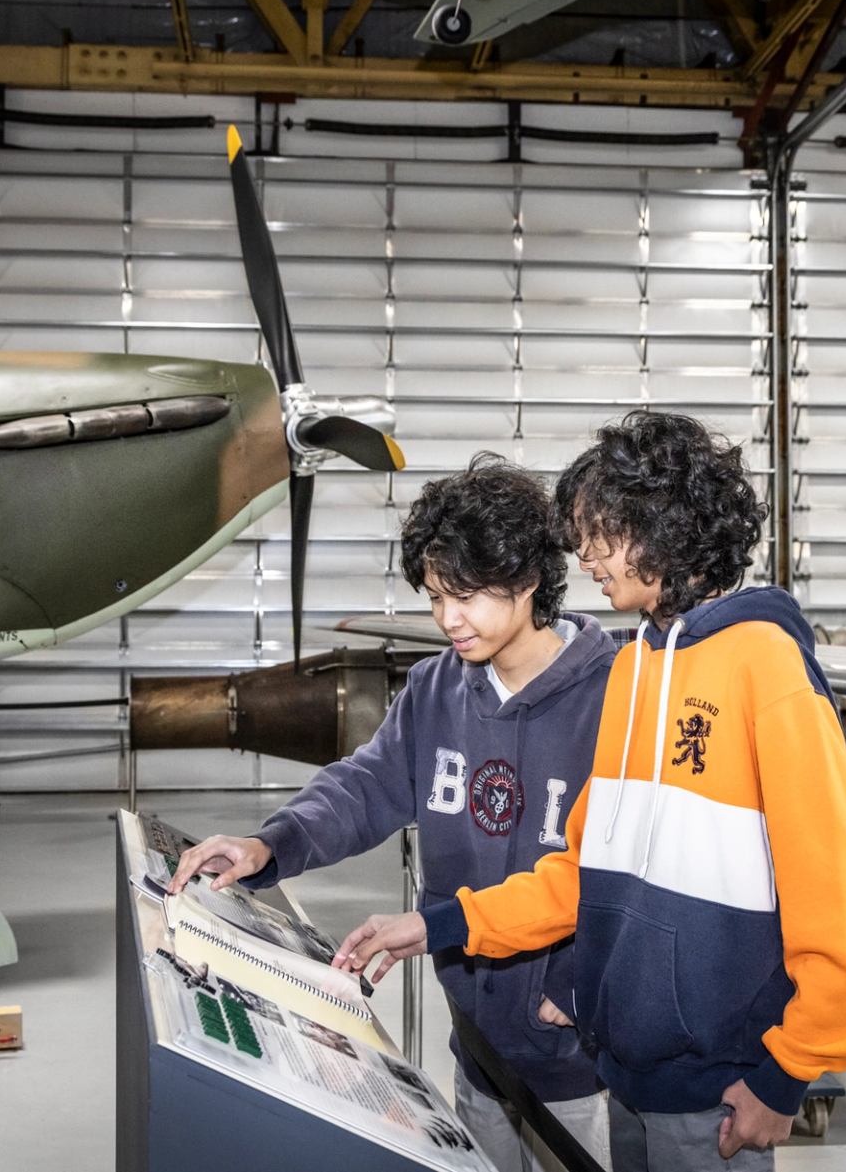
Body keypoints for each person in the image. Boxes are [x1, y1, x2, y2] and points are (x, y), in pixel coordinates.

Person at [334, 412, 846, 1172]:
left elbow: (840, 886)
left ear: (666, 530)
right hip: (628, 1072)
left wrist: (789, 1072)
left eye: (606, 531)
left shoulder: (766, 666)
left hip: (714, 1082)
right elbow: (580, 871)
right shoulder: (637, 670)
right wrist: (439, 925)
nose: (587, 553)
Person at [166, 455, 619, 1172]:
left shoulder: (613, 699)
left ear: (528, 578)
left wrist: (575, 987)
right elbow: (366, 784)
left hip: (575, 1052)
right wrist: (269, 844)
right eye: (436, 595)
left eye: (465, 595)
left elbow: (624, 875)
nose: (447, 618)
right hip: (473, 1038)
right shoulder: (438, 688)